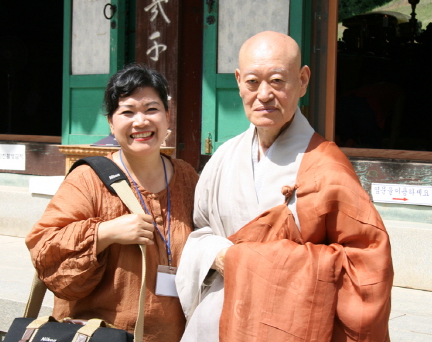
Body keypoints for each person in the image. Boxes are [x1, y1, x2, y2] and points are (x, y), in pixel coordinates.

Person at [175, 31, 394, 342]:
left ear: (302, 80)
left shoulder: (327, 168)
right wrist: (218, 255)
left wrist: (253, 263)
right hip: (217, 320)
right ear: (239, 81)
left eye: (277, 81)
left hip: (289, 328)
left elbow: (367, 262)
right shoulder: (224, 157)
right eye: (252, 82)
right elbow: (200, 231)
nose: (264, 94)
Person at [26, 64, 199, 342]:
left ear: (168, 117)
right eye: (127, 112)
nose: (140, 122)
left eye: (151, 109)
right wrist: (105, 233)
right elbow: (45, 248)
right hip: (100, 335)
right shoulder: (88, 179)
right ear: (111, 122)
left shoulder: (187, 178)